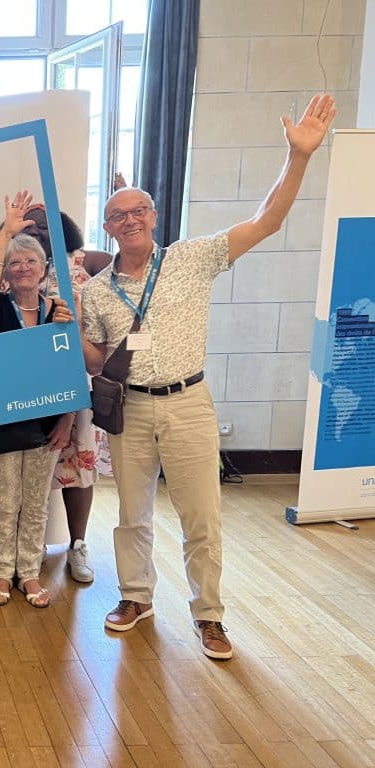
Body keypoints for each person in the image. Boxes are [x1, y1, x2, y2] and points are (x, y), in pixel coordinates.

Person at [80, 94, 336, 660]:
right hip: (130, 407)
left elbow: (266, 220)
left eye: (137, 211)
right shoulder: (95, 291)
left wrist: (298, 158)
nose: (129, 221)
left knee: (202, 516)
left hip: (189, 403)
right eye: (118, 215)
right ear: (108, 226)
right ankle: (136, 597)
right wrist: (65, 332)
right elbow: (94, 358)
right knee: (130, 514)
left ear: (153, 216)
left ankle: (209, 614)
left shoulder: (192, 258)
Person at [0, 193, 76, 608]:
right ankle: (2, 574)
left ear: (43, 269)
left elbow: (70, 368)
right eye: (15, 263)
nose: (22, 268)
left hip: (45, 425)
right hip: (0, 422)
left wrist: (68, 421)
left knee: (36, 503)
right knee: (4, 503)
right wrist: (7, 233)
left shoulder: (60, 310)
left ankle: (29, 574)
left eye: (30, 262)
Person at [24, 206, 98, 583]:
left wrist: (68, 412)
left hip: (73, 384)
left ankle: (78, 544)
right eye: (29, 225)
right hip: (27, 390)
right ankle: (30, 543)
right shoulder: (15, 267)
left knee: (77, 467)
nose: (36, 230)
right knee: (30, 470)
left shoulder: (80, 265)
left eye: (43, 225)